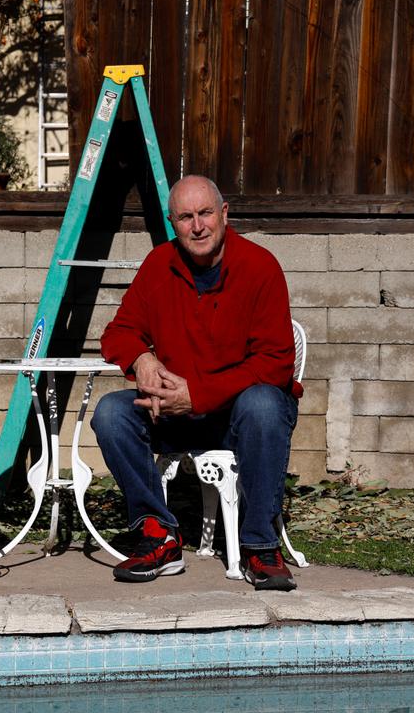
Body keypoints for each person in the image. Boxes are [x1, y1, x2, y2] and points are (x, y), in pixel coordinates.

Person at [92, 175, 302, 590]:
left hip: (236, 414)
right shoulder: (158, 265)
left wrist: (199, 395)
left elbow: (276, 362)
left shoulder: (260, 266)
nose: (198, 226)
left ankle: (260, 546)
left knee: (264, 403)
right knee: (111, 413)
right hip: (175, 413)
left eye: (205, 213)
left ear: (224, 214)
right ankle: (159, 534)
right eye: (186, 217)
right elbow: (118, 333)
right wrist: (142, 357)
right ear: (173, 223)